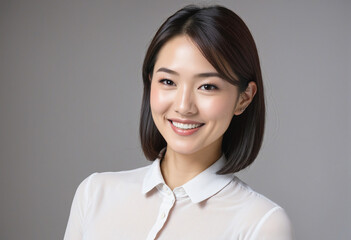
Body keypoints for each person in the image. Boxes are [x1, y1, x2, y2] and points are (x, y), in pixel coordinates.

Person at [64, 5, 293, 240]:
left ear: (243, 98)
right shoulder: (94, 194)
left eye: (207, 86)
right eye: (168, 82)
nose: (184, 106)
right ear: (150, 82)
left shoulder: (261, 224)